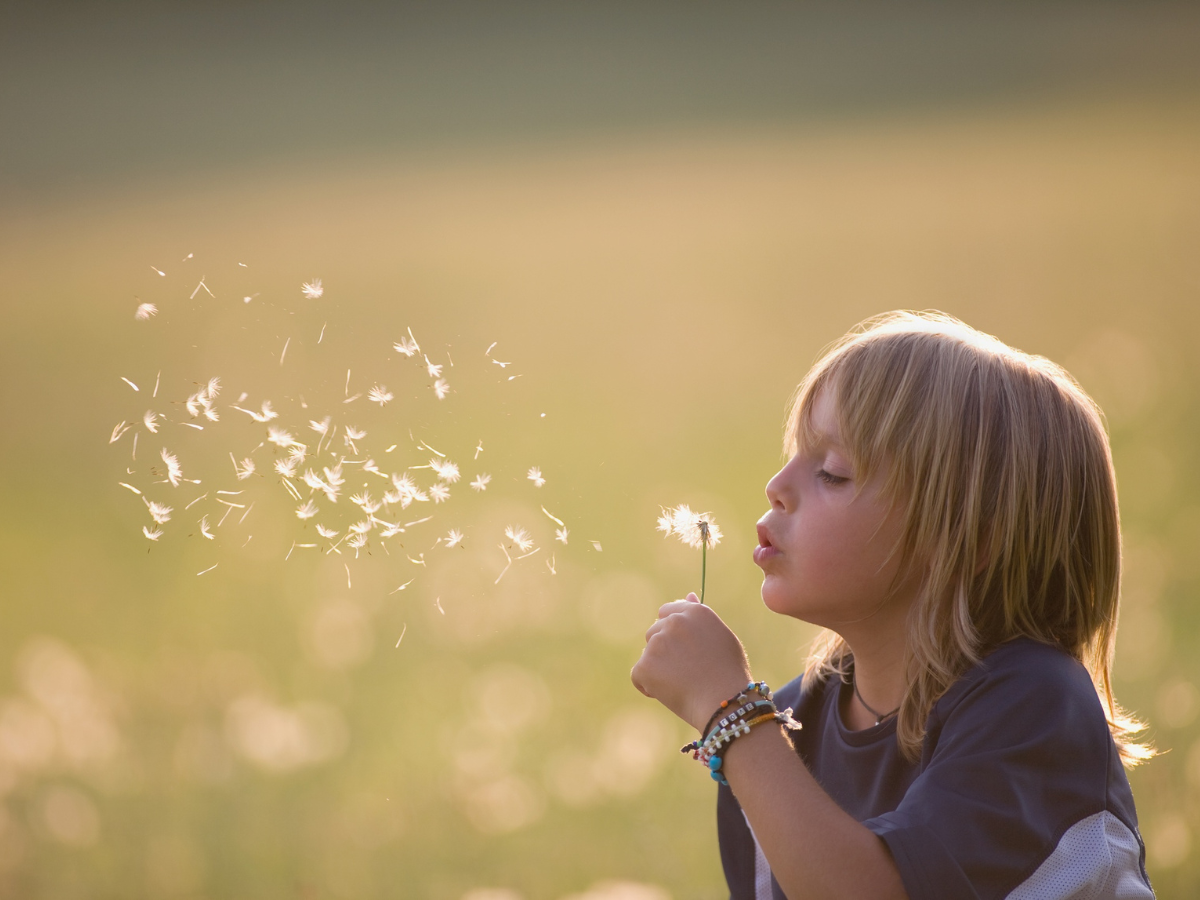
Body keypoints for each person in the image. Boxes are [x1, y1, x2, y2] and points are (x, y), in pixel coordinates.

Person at [630, 311, 1154, 900]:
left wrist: (734, 720)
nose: (778, 484)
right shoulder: (786, 727)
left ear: (966, 539)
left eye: (832, 472)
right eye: (795, 454)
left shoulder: (1034, 704)